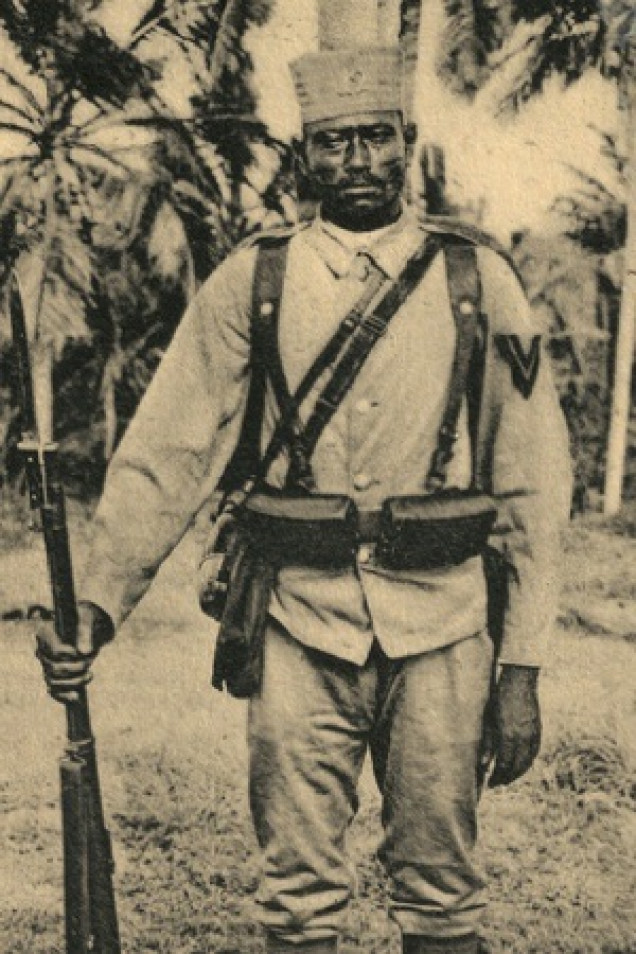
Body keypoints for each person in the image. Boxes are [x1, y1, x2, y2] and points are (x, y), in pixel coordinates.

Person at [36, 44, 572, 954]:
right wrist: (96, 602)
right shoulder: (257, 279)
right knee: (295, 894)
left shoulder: (479, 282)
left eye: (375, 137)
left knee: (443, 892)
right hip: (296, 623)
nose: (356, 160)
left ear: (407, 143)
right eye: (334, 143)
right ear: (305, 155)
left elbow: (532, 483)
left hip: (444, 627)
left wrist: (519, 669)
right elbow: (171, 446)